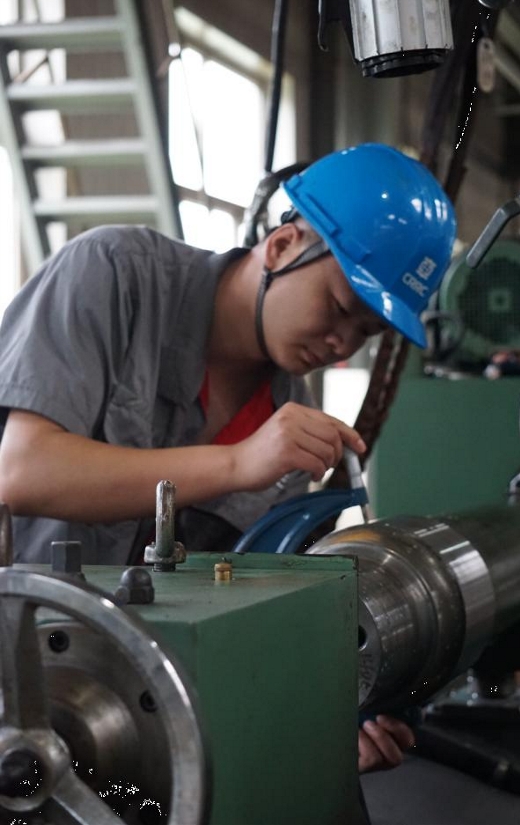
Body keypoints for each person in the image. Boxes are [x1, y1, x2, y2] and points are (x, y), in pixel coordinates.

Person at [0, 142, 456, 772]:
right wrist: (238, 462)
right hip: (19, 678)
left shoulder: (291, 428)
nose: (341, 344)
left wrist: (322, 726)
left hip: (134, 723)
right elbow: (21, 471)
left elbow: (237, 617)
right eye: (340, 308)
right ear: (284, 245)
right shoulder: (115, 274)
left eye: (366, 333)